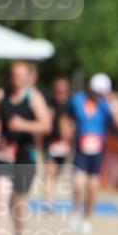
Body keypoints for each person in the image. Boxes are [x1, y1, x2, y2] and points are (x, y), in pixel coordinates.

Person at [0, 61, 53, 235]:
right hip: (3, 152)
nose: (16, 78)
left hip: (25, 154)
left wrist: (24, 125)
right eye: (14, 74)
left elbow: (46, 125)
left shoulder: (34, 97)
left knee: (19, 203)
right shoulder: (0, 95)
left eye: (21, 74)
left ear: (28, 77)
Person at [68, 73, 118, 235]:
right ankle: (76, 210)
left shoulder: (107, 105)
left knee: (92, 187)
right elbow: (67, 118)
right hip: (81, 149)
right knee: (78, 183)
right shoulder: (77, 100)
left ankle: (87, 218)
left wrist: (113, 105)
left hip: (97, 151)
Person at [42, 77, 73, 212]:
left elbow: (74, 124)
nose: (61, 93)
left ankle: (51, 197)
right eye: (58, 90)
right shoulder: (49, 103)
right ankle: (48, 201)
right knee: (50, 171)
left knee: (57, 173)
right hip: (51, 142)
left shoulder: (71, 106)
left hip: (65, 144)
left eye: (64, 91)